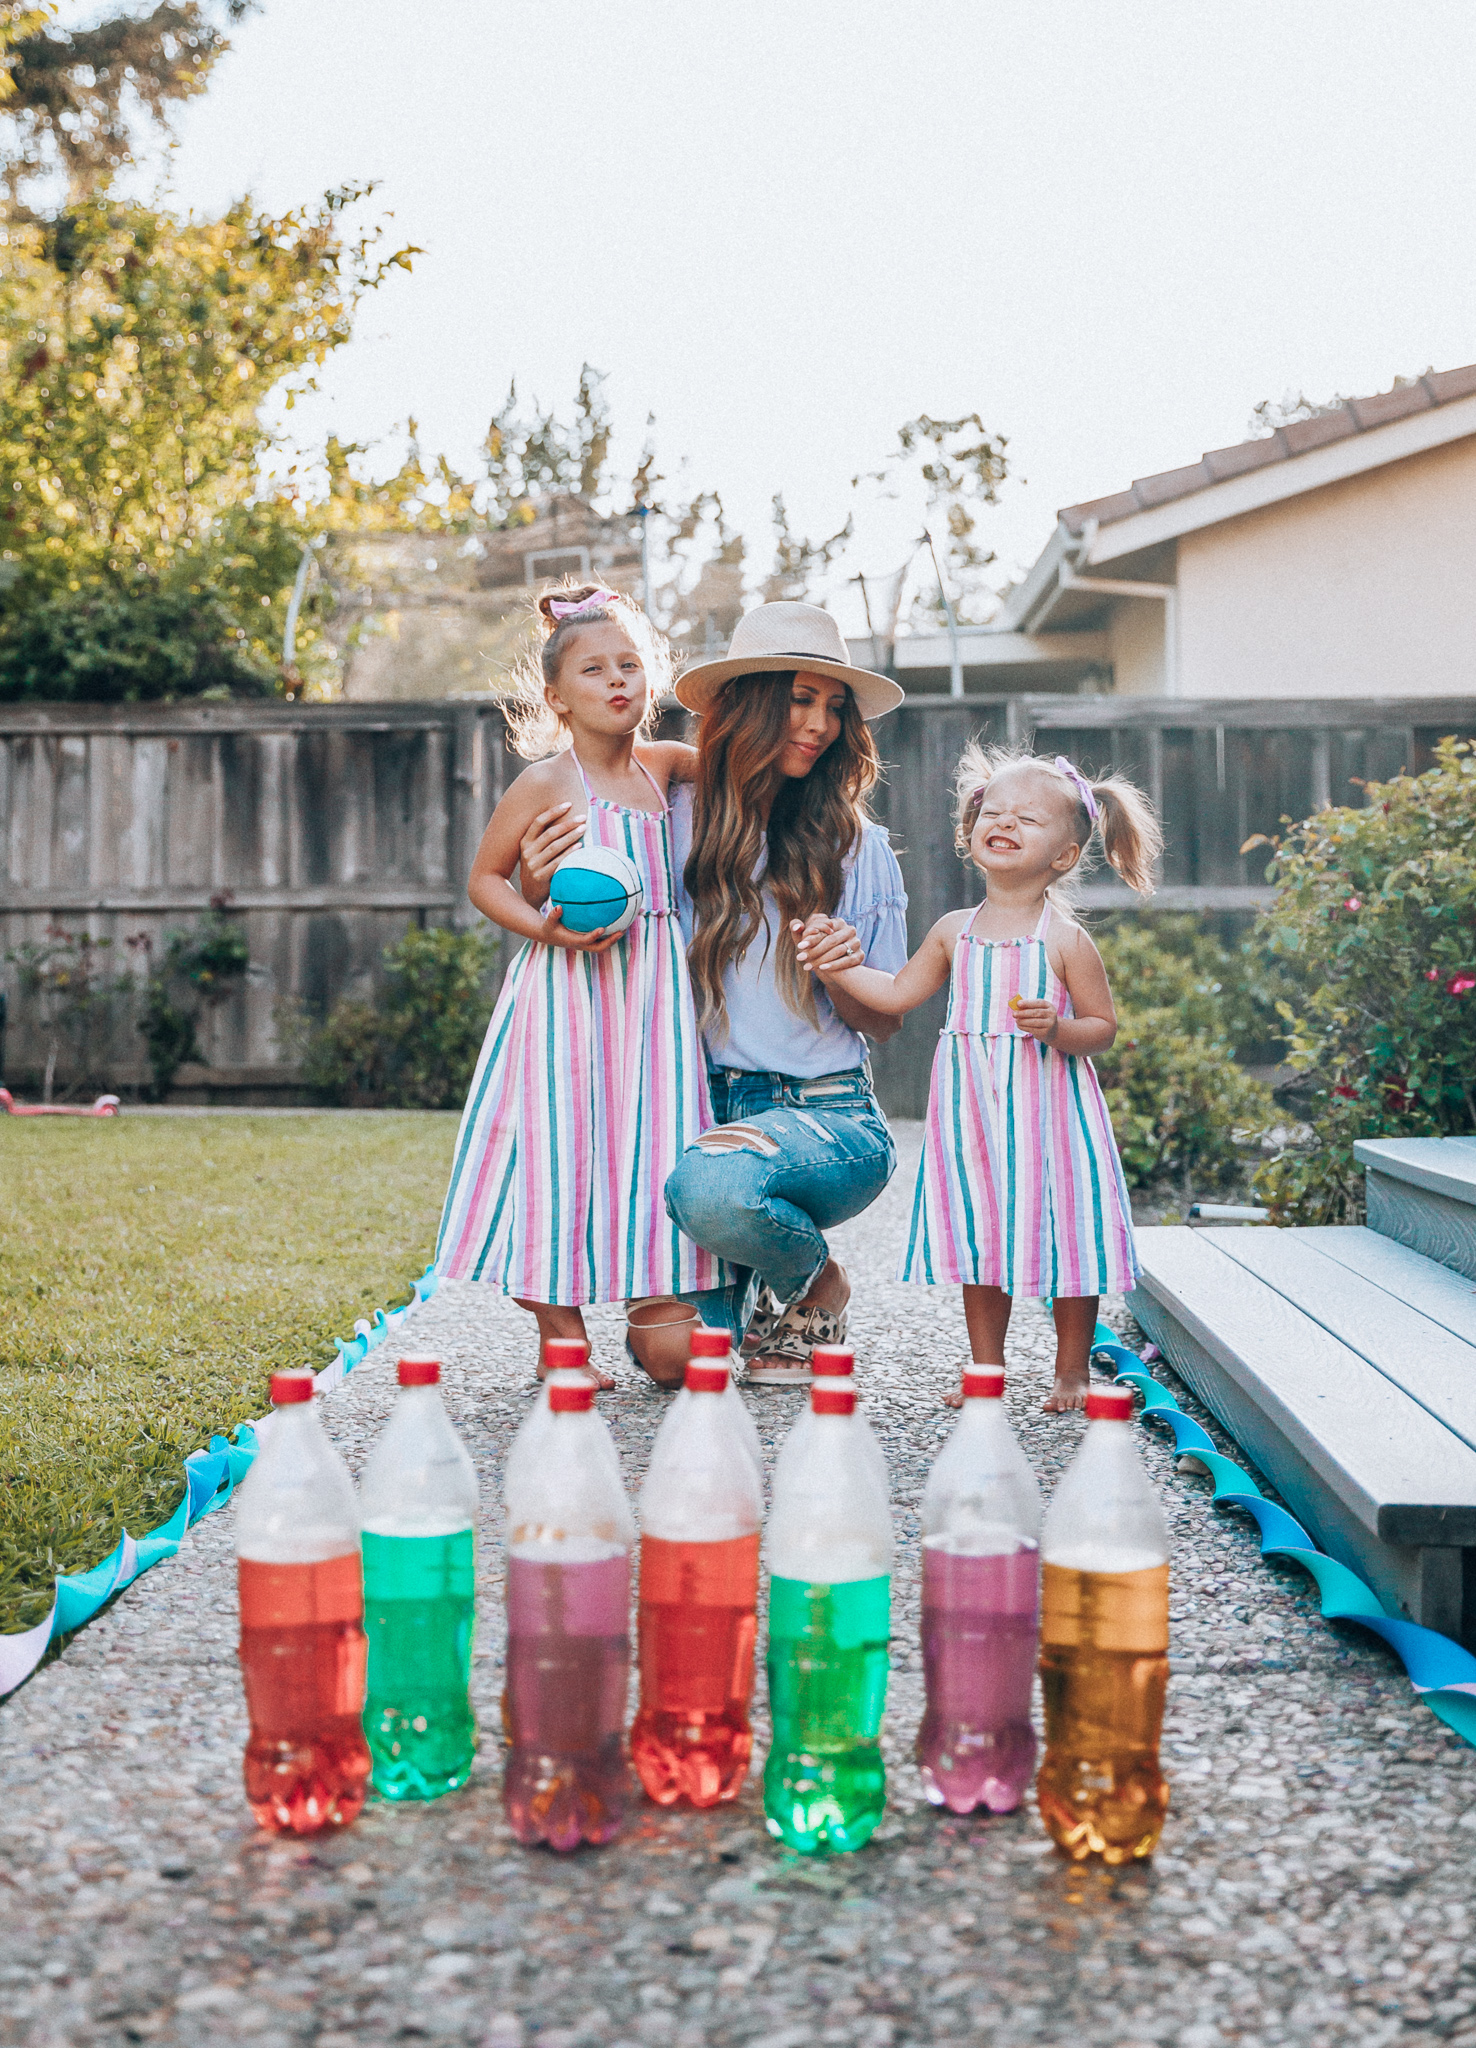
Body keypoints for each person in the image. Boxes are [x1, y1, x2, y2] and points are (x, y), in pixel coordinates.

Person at [797, 743, 1161, 1412]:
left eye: (1028, 817)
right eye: (994, 811)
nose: (1005, 822)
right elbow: (896, 994)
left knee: (1067, 1237)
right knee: (981, 1234)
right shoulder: (953, 932)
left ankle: (1072, 1370)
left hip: (1050, 1119)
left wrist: (1058, 1028)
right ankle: (985, 1369)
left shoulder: (1065, 941)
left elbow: (1103, 1027)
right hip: (978, 1122)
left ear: (1063, 856)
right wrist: (835, 964)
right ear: (971, 833)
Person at [434, 583, 723, 1388]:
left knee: (652, 1142)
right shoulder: (544, 784)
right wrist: (546, 927)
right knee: (556, 1149)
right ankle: (561, 1338)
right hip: (567, 993)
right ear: (557, 697)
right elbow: (486, 880)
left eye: (631, 665)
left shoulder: (667, 769)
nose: (617, 681)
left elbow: (745, 771)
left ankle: (652, 1292)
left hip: (655, 1000)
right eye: (594, 670)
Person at [661, 601, 909, 1385]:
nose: (821, 724)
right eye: (800, 699)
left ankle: (815, 1280)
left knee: (713, 1191)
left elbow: (886, 1020)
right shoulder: (674, 817)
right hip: (705, 1111)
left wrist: (844, 972)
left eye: (834, 706)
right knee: (673, 1362)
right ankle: (758, 1299)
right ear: (751, 702)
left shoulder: (856, 845)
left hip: (825, 1117)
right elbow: (599, 767)